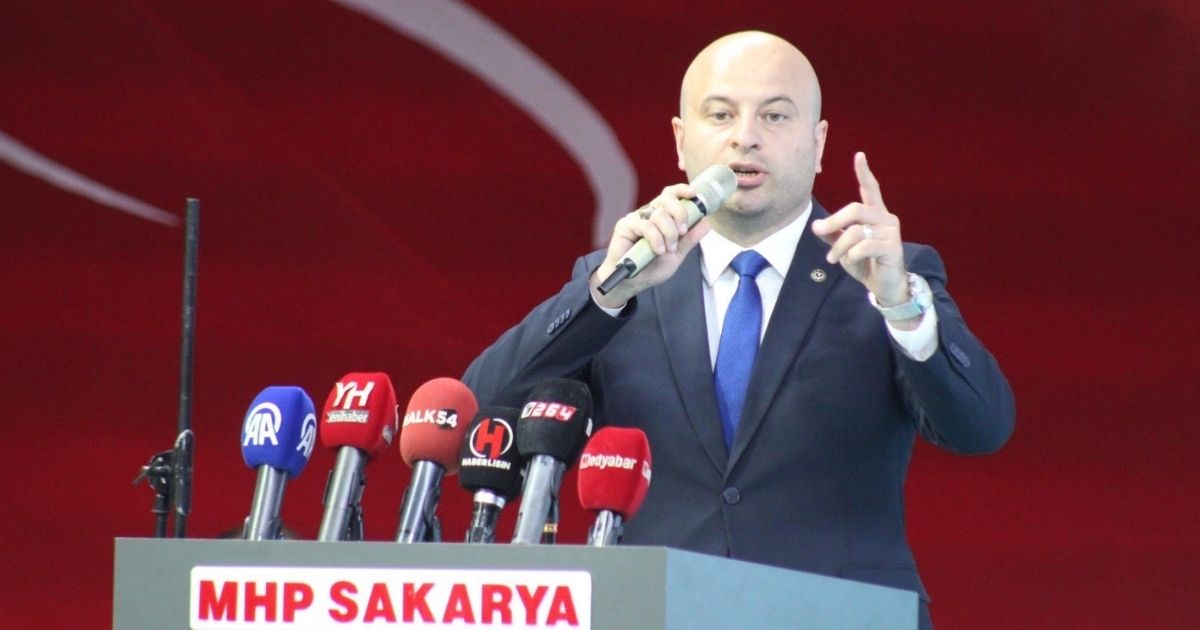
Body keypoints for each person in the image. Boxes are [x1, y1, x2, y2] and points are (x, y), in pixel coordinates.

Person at [464, 31, 1014, 629]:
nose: (745, 136)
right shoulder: (625, 279)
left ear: (818, 143)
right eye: (721, 114)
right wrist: (605, 294)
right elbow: (479, 412)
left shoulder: (881, 274)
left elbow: (980, 426)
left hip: (840, 615)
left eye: (774, 115)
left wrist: (901, 304)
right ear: (681, 141)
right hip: (655, 610)